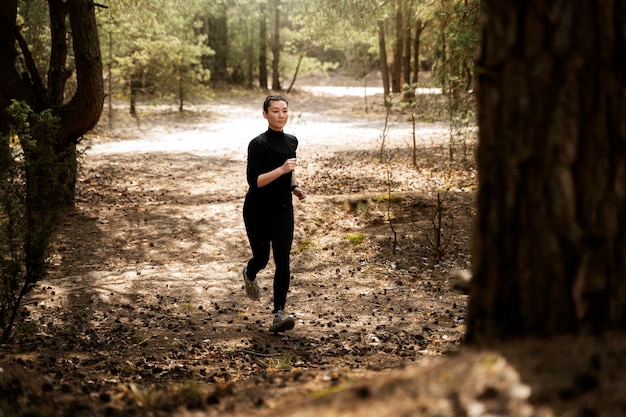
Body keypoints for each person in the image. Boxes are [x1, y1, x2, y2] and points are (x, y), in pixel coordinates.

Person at [242, 95, 307, 333]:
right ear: (265, 115)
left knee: (283, 260)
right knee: (261, 259)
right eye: (276, 111)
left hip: (282, 209)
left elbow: (290, 170)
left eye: (285, 111)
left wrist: (295, 187)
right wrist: (280, 170)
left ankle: (279, 313)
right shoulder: (257, 144)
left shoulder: (292, 141)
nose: (281, 115)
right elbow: (255, 181)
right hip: (257, 209)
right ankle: (249, 274)